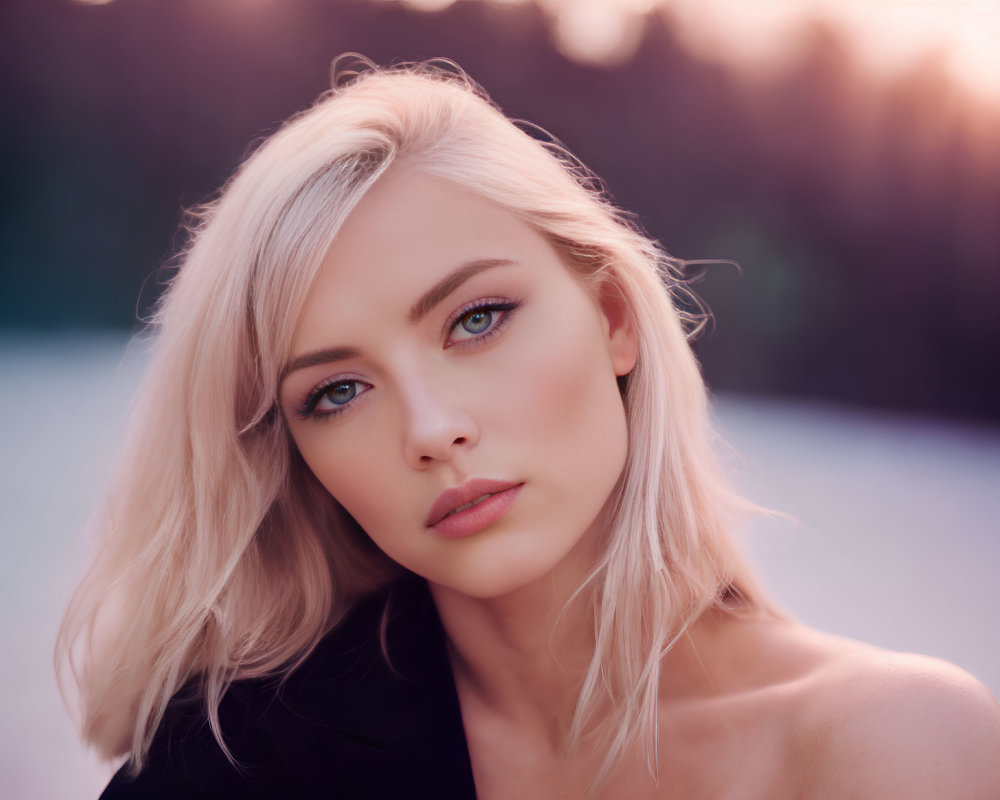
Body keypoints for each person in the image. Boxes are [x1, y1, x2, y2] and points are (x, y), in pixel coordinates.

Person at [57, 58, 1000, 799]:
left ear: (615, 321)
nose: (431, 430)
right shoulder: (244, 760)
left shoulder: (897, 747)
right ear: (297, 456)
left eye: (476, 319)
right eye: (337, 392)